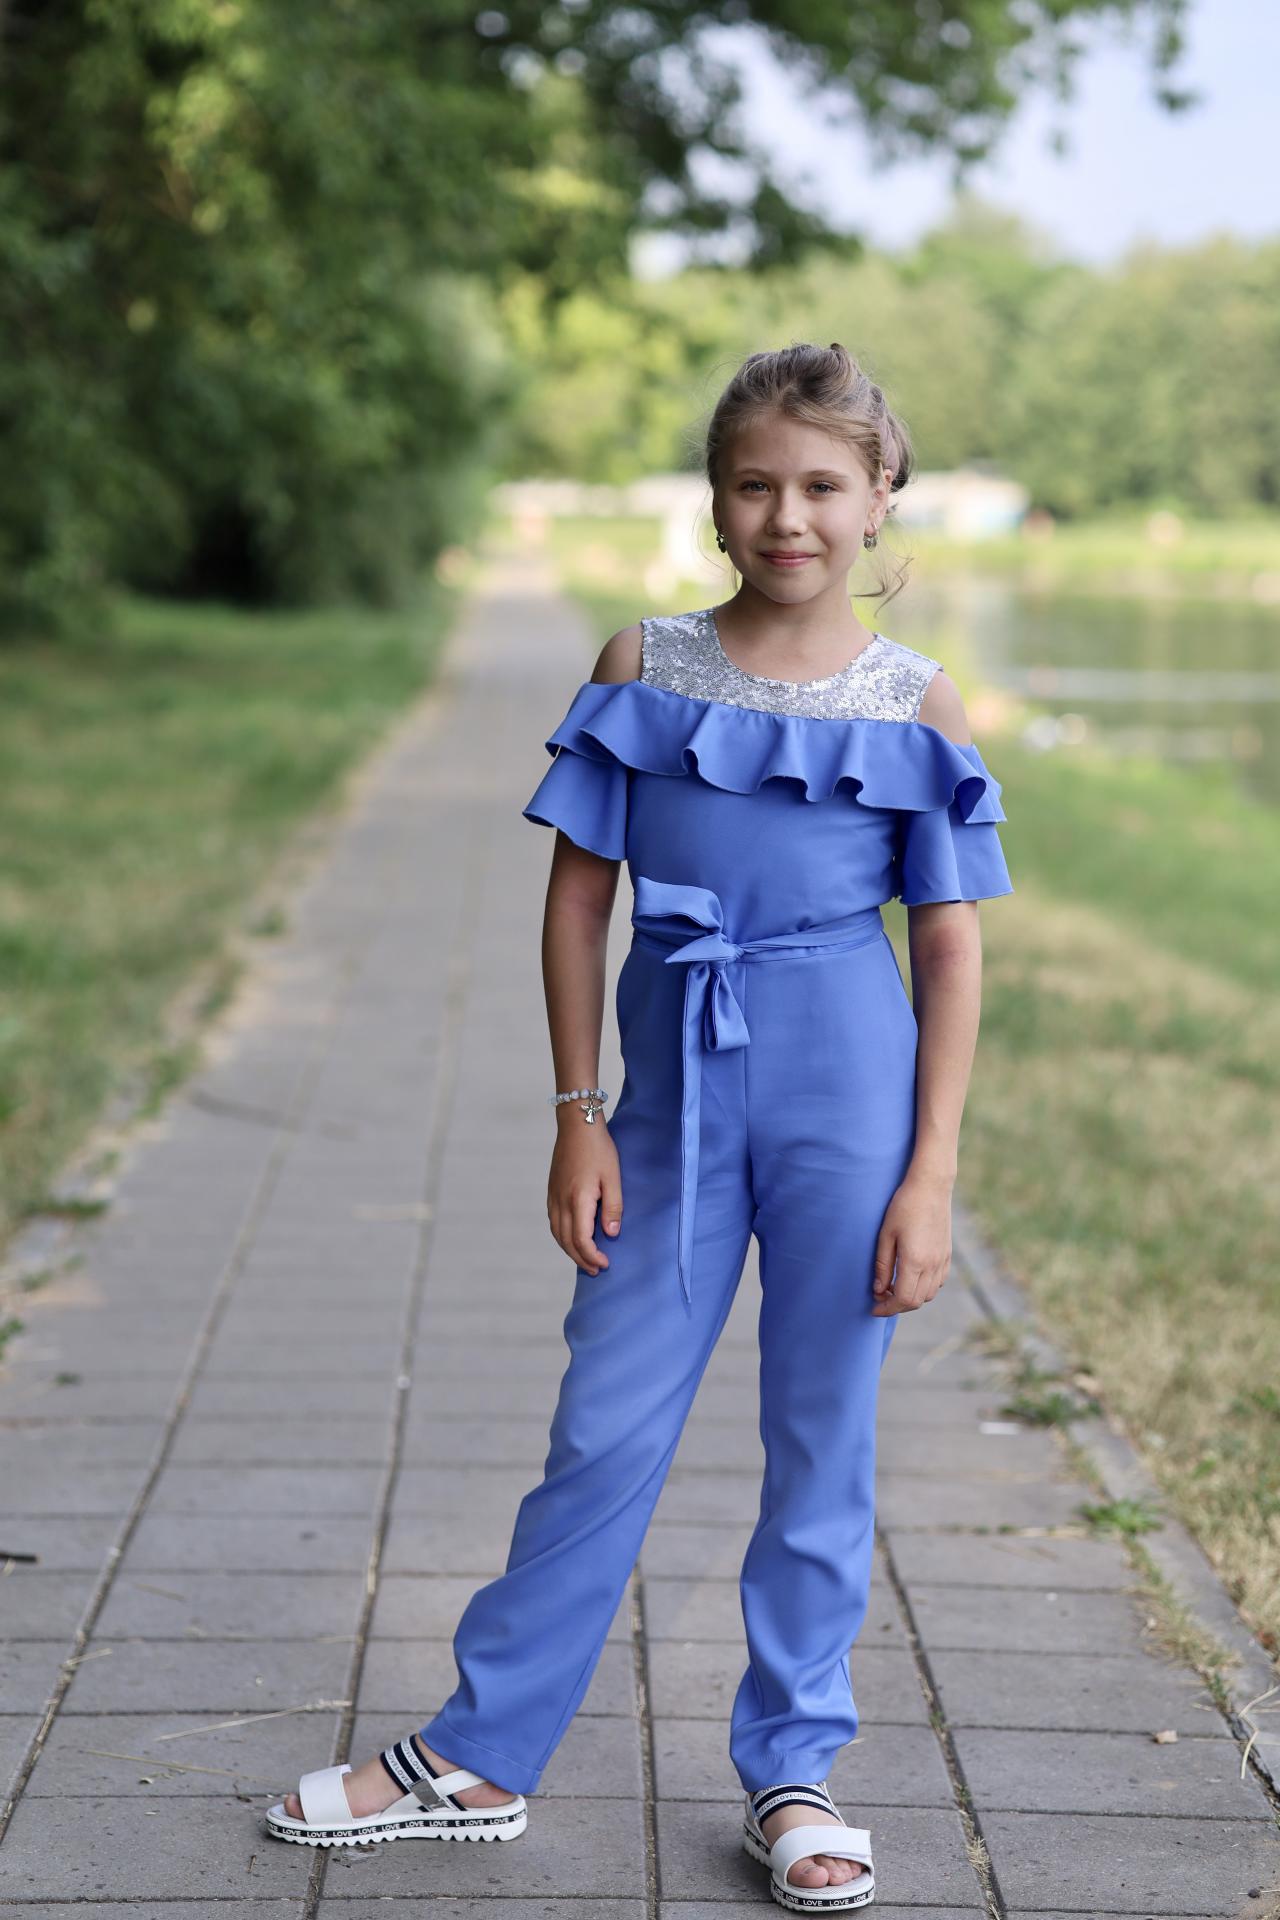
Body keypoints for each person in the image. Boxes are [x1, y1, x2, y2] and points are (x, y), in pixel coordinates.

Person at [266, 341, 1013, 1911]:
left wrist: (931, 1175)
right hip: (670, 1100)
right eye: (755, 484)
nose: (788, 516)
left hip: (850, 1096)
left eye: (823, 486)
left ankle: (795, 1772)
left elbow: (949, 947)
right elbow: (576, 902)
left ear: (881, 500)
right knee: (603, 1423)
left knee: (822, 1436)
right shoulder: (644, 665)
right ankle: (482, 1753)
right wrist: (577, 1112)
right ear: (715, 500)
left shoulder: (915, 700)